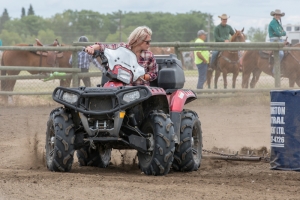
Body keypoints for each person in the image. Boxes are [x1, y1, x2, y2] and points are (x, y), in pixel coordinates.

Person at [85, 26, 158, 86]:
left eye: (150, 42)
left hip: (140, 90)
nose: (149, 44)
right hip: (121, 88)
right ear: (138, 40)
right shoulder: (122, 48)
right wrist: (91, 48)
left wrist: (144, 76)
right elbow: (103, 47)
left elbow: (154, 74)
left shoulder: (149, 56)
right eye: (147, 42)